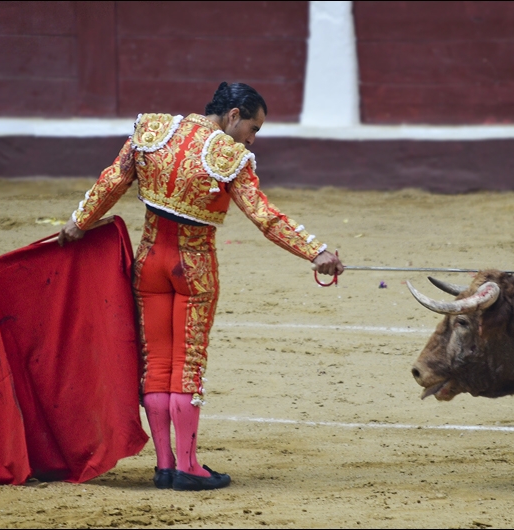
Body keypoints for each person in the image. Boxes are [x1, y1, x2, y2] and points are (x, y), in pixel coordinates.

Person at [57, 81, 344, 491]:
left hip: (149, 262)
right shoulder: (230, 156)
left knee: (156, 364)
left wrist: (77, 223)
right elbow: (265, 217)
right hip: (193, 267)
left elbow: (112, 182)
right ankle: (188, 466)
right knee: (186, 363)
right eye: (253, 127)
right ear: (234, 115)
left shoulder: (151, 131)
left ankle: (164, 466)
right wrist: (315, 251)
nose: (252, 137)